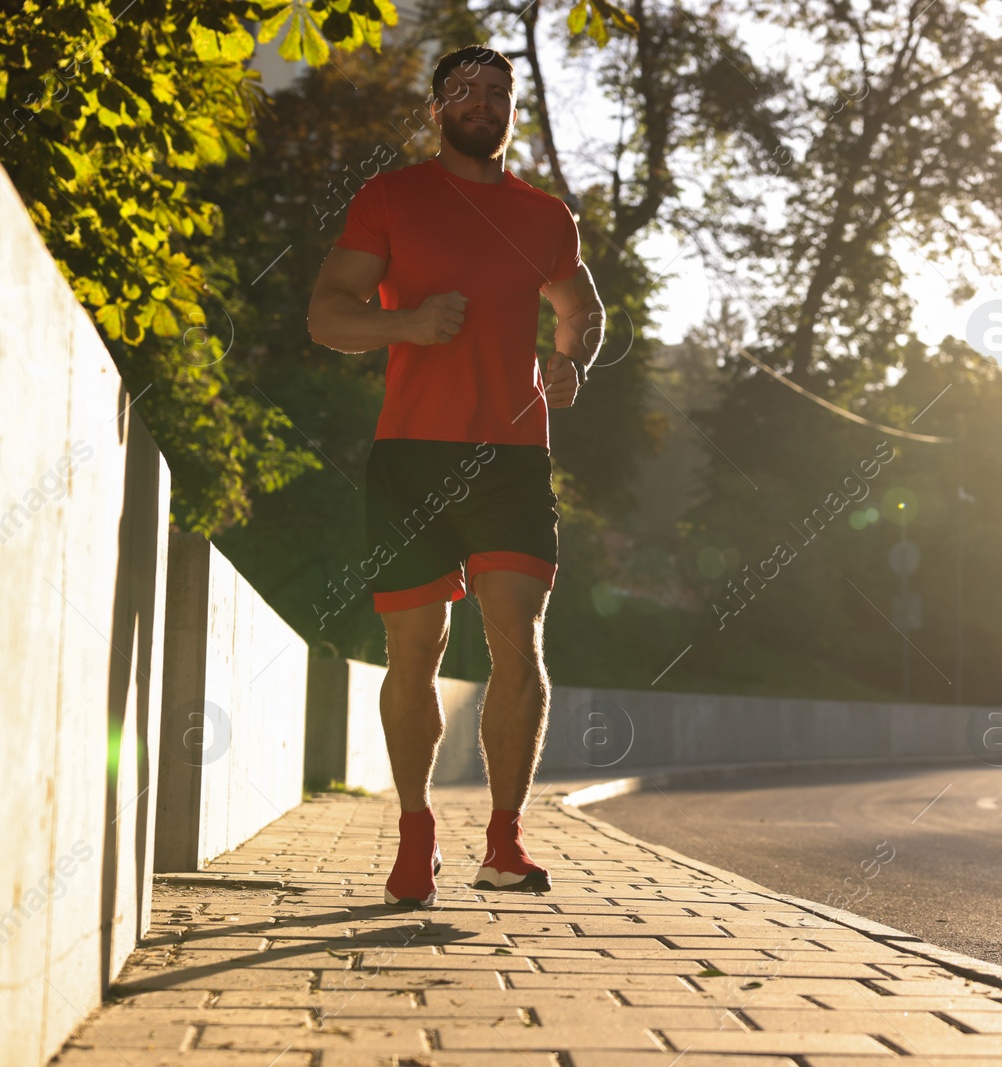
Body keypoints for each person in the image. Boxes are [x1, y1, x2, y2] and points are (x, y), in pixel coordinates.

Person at [306, 44, 604, 907]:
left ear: (515, 112)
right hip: (412, 453)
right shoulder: (392, 198)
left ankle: (504, 842)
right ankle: (415, 833)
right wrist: (409, 325)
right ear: (437, 109)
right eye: (464, 91)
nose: (484, 102)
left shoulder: (547, 215)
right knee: (418, 650)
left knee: (520, 643)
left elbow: (581, 302)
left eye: (498, 93)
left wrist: (568, 355)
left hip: (512, 455)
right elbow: (328, 315)